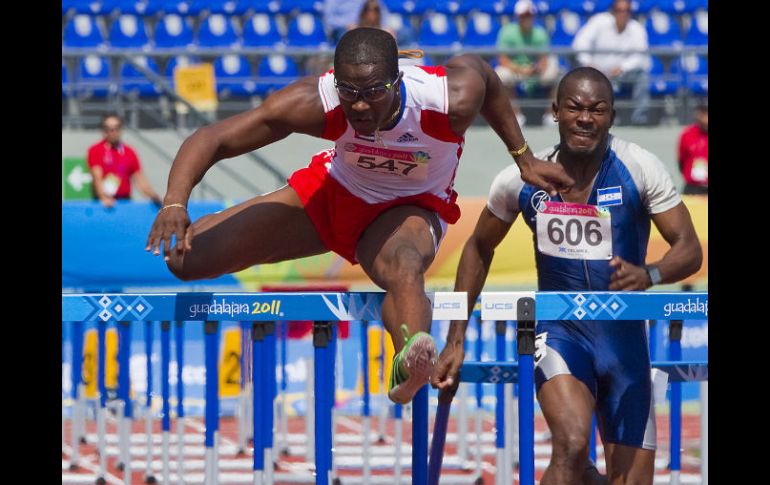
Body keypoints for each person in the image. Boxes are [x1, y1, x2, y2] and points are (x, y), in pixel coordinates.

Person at [146, 27, 573, 405]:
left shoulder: (447, 100)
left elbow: (486, 76)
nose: (361, 107)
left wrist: (523, 157)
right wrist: (174, 202)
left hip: (409, 208)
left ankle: (409, 356)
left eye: (373, 92)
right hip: (334, 192)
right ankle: (225, 224)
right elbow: (215, 137)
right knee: (185, 260)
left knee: (405, 264)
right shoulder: (317, 100)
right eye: (350, 92)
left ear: (398, 79)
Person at [432, 67, 702, 483]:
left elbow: (689, 249)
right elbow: (479, 246)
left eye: (598, 110)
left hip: (626, 344)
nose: (585, 118)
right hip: (562, 333)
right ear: (555, 111)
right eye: (575, 107)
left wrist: (649, 273)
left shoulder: (638, 167)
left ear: (612, 116)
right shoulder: (520, 181)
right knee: (573, 443)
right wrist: (455, 337)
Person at [572, 0, 651, 125]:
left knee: (641, 77)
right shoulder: (598, 21)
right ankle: (585, 120)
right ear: (613, 11)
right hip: (595, 73)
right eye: (619, 10)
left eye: (627, 11)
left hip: (623, 75)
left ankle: (639, 119)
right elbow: (579, 44)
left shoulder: (636, 28)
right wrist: (588, 63)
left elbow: (640, 55)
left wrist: (622, 68)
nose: (623, 14)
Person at [494, 0, 559, 126]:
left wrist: (535, 68)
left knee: (554, 71)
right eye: (524, 15)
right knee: (502, 75)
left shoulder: (540, 32)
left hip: (535, 70)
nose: (527, 18)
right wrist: (519, 69)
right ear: (518, 17)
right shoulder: (506, 32)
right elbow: (502, 59)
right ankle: (516, 115)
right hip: (514, 69)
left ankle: (550, 115)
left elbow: (544, 59)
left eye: (529, 15)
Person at [87, 113, 162, 208]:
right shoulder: (95, 150)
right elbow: (97, 177)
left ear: (121, 130)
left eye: (116, 128)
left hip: (125, 202)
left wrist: (154, 196)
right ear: (103, 131)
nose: (112, 132)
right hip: (104, 203)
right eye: (108, 129)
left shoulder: (129, 152)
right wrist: (103, 197)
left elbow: (140, 180)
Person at [677, 103, 708, 195]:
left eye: (703, 114)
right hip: (693, 188)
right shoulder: (687, 134)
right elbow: (681, 161)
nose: (699, 118)